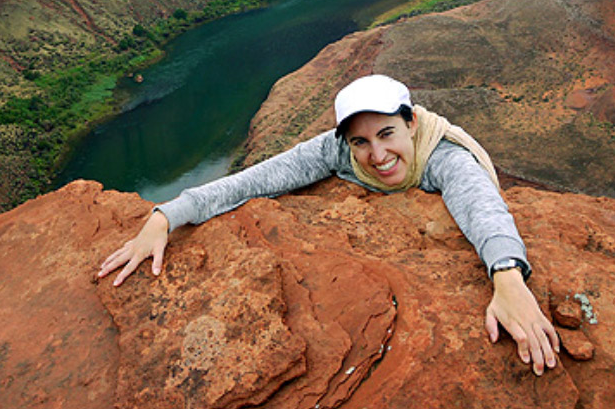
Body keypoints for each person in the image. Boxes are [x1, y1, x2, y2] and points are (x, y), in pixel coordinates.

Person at [98, 74, 560, 375]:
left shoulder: (444, 154)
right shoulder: (333, 150)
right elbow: (252, 181)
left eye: (387, 135)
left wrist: (508, 278)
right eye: (360, 142)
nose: (376, 156)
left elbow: (482, 206)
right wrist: (166, 215)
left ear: (412, 123)